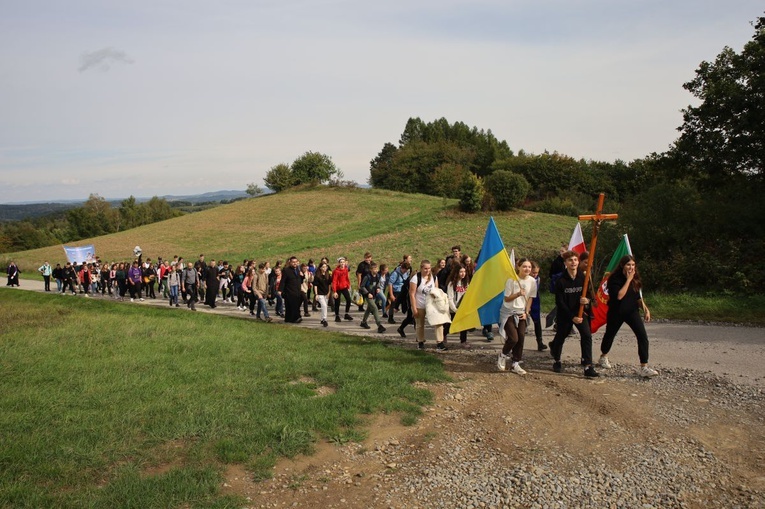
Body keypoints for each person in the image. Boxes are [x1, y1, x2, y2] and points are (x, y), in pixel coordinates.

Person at [598, 255, 659, 378]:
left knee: (642, 336)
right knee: (610, 335)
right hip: (617, 312)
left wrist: (645, 309)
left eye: (633, 265)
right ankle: (603, 356)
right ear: (622, 265)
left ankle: (644, 366)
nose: (631, 267)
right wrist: (628, 280)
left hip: (632, 312)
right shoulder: (614, 279)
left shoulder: (635, 278)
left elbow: (637, 297)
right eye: (628, 265)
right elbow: (619, 296)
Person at [548, 251, 599, 378]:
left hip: (581, 312)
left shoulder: (584, 278)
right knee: (561, 336)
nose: (573, 262)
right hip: (566, 314)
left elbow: (590, 296)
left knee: (587, 335)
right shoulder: (560, 281)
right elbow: (559, 302)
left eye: (575, 260)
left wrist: (586, 301)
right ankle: (557, 360)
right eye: (570, 260)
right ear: (565, 263)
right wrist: (572, 317)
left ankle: (587, 365)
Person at [497, 258, 537, 375]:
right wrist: (518, 294)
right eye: (524, 266)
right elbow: (506, 298)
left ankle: (515, 363)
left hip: (521, 312)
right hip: (508, 312)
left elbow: (530, 298)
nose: (527, 269)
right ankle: (503, 354)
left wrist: (526, 312)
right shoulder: (512, 280)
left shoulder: (532, 281)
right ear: (518, 267)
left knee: (521, 338)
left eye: (529, 267)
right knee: (513, 338)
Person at [409, 259, 448, 351]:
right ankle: (420, 342)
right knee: (420, 324)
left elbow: (437, 291)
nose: (427, 271)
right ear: (421, 268)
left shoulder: (434, 277)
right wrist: (414, 308)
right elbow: (412, 294)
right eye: (425, 269)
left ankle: (440, 343)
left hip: (432, 304)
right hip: (420, 304)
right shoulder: (415, 278)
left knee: (438, 322)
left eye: (429, 268)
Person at [445, 264, 470, 347]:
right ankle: (443, 335)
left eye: (464, 271)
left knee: (464, 324)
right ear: (456, 272)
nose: (463, 274)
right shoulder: (451, 284)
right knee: (450, 325)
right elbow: (450, 298)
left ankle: (463, 341)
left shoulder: (466, 282)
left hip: (463, 308)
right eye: (461, 272)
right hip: (454, 308)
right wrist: (455, 309)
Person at [359, 262, 386, 333]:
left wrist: (378, 288)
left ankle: (363, 322)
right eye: (374, 269)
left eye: (377, 269)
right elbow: (362, 286)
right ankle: (379, 326)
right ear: (371, 269)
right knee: (375, 308)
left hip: (374, 295)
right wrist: (367, 293)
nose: (376, 270)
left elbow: (378, 284)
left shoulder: (377, 276)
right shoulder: (367, 277)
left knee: (369, 309)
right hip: (368, 296)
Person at [529, 261, 548, 351]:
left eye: (536, 272)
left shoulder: (538, 279)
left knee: (537, 322)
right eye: (533, 272)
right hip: (524, 300)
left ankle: (540, 342)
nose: (535, 274)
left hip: (535, 301)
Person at [280, 256, 303, 323]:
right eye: (293, 262)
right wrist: (280, 290)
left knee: (294, 305)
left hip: (297, 291)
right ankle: (295, 318)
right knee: (292, 305)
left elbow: (299, 281)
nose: (295, 263)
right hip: (289, 291)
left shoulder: (298, 270)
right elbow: (283, 281)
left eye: (296, 262)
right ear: (290, 262)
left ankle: (289, 319)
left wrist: (302, 276)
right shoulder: (286, 270)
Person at [387, 261, 411, 325]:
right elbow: (390, 283)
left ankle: (409, 318)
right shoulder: (395, 273)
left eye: (407, 270)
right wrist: (391, 294)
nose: (405, 272)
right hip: (395, 291)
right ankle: (390, 318)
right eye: (405, 270)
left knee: (407, 305)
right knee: (393, 305)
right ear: (402, 268)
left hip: (402, 291)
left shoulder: (406, 273)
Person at [332, 257, 354, 322]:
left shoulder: (346, 269)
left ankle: (346, 314)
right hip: (338, 288)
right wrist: (335, 291)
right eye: (341, 262)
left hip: (344, 287)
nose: (342, 264)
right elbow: (334, 281)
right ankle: (337, 316)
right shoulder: (336, 271)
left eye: (343, 262)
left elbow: (347, 278)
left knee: (349, 300)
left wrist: (348, 285)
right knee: (337, 302)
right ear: (339, 263)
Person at [313, 262, 332, 327]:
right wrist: (316, 294)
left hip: (326, 293)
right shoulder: (317, 276)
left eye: (326, 267)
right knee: (324, 306)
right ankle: (324, 319)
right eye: (323, 267)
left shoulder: (328, 275)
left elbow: (329, 284)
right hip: (320, 293)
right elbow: (315, 285)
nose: (325, 268)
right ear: (320, 268)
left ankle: (321, 319)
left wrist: (329, 292)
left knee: (324, 306)